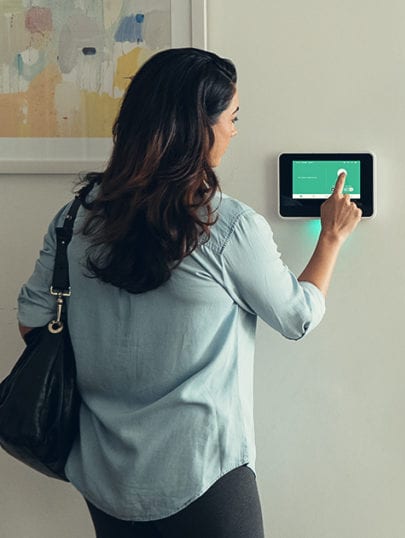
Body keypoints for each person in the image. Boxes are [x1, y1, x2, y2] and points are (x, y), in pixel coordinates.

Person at [16, 48, 361, 537]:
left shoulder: (75, 219)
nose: (235, 131)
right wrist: (330, 238)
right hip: (207, 474)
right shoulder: (227, 226)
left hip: (104, 472)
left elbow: (32, 321)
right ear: (200, 127)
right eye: (232, 118)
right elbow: (297, 317)